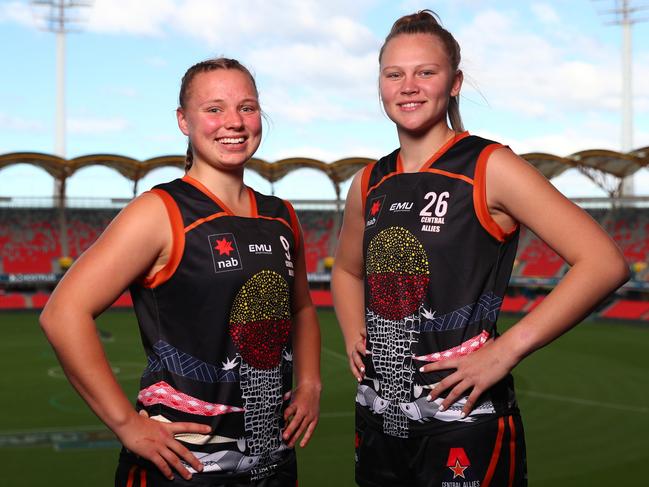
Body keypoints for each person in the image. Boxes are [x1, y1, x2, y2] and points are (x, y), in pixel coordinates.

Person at [332, 10, 629, 487]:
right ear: (381, 85)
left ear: (454, 82)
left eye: (425, 72)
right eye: (394, 74)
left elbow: (605, 263)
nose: (408, 85)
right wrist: (352, 335)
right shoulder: (368, 181)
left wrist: (505, 351)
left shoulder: (490, 165)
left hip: (464, 425)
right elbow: (347, 272)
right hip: (378, 425)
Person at [40, 58, 321, 487]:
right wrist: (127, 424)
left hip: (273, 461)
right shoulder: (159, 211)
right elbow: (62, 314)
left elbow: (301, 307)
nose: (234, 122)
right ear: (183, 121)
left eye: (247, 107)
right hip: (184, 467)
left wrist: (311, 382)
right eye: (214, 109)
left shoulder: (280, 215)